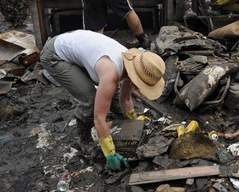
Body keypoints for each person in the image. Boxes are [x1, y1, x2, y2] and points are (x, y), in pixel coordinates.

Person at [39, 30, 165, 171]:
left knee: (114, 99)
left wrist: (133, 120)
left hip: (79, 47)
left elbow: (125, 99)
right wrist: (110, 153)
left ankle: (120, 128)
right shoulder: (111, 72)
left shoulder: (134, 62)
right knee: (90, 100)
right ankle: (84, 139)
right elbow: (99, 118)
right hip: (55, 55)